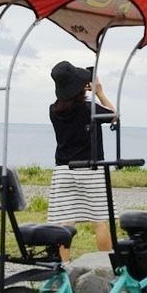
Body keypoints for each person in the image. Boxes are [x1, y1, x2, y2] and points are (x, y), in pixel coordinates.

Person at [47, 60, 118, 260]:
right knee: (100, 220)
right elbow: (114, 116)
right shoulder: (89, 109)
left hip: (63, 169)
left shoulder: (53, 110)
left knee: (64, 223)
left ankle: (63, 269)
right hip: (91, 169)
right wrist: (100, 93)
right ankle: (105, 264)